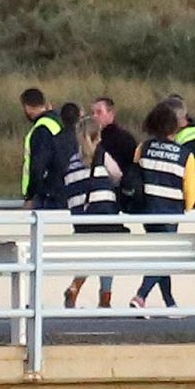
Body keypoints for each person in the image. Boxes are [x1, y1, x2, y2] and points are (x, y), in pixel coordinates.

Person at [129, 100, 195, 311]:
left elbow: (134, 176)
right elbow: (191, 193)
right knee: (164, 257)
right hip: (170, 212)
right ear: (174, 126)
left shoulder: (143, 147)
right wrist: (186, 206)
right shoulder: (184, 155)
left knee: (160, 256)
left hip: (147, 210)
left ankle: (170, 304)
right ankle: (140, 297)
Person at [63, 116, 126, 310]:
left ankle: (76, 286)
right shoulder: (102, 155)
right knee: (109, 255)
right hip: (104, 213)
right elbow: (117, 175)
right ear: (98, 134)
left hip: (81, 217)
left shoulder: (72, 161)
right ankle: (105, 297)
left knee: (90, 254)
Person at [20, 87, 70, 210]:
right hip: (62, 189)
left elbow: (38, 165)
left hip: (47, 194)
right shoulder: (57, 122)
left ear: (27, 107)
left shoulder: (41, 129)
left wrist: (31, 196)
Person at [91, 96, 137, 178]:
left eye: (99, 112)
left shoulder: (124, 139)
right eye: (93, 113)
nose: (94, 116)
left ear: (111, 114)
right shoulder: (90, 139)